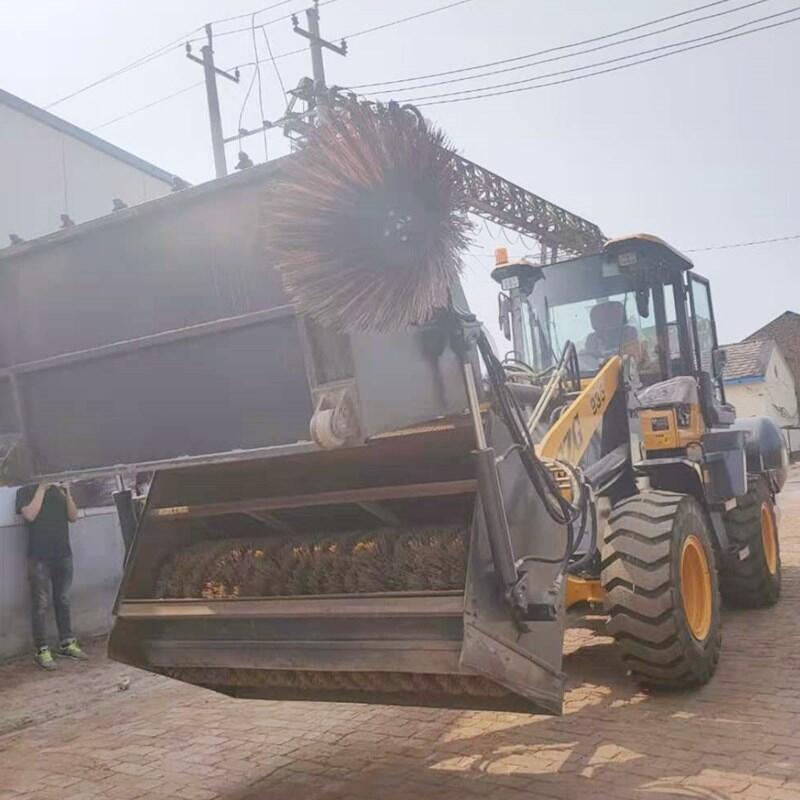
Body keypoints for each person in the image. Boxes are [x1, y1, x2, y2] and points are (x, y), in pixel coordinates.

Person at [15, 482, 88, 670]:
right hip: (39, 557)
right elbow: (30, 515)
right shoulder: (25, 490)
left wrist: (68, 491)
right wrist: (42, 488)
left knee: (63, 599)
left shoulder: (59, 491)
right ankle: (42, 649)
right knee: (40, 604)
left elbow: (73, 516)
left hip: (63, 554)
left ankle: (67, 642)